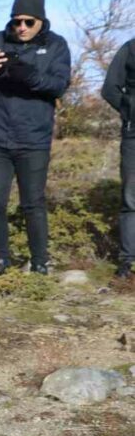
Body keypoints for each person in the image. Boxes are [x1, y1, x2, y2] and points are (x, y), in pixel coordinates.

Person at [0, 0, 70, 276]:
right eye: (17, 21)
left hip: (33, 139)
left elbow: (59, 85)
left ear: (41, 20)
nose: (22, 27)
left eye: (29, 22)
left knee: (33, 203)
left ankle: (39, 261)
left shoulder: (56, 45)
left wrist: (31, 76)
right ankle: (0, 259)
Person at [102, 36, 135, 279]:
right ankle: (128, 261)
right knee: (131, 199)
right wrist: (130, 111)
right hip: (133, 135)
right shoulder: (131, 47)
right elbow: (110, 88)